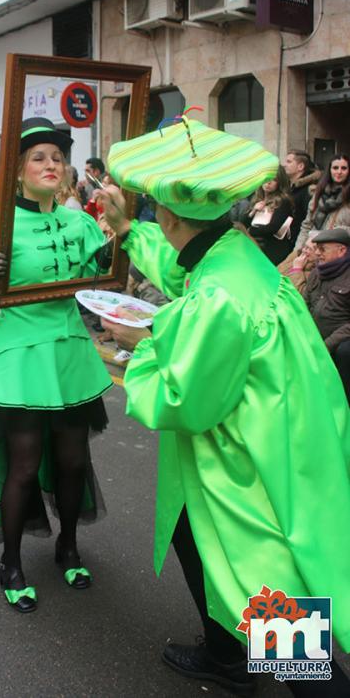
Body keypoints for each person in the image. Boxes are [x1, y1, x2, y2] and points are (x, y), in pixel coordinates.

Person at [98, 118, 350, 696]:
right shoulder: (232, 251)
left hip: (240, 461)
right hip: (281, 430)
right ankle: (226, 652)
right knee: (194, 538)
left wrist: (141, 347)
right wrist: (127, 232)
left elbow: (184, 400)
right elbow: (181, 270)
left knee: (268, 589)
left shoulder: (218, 295)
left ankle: (305, 680)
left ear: (167, 213)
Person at [0, 118, 112, 613]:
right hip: (19, 356)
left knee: (72, 460)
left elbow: (101, 275)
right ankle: (12, 562)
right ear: (18, 168)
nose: (50, 165)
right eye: (39, 157)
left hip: (69, 354)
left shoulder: (78, 221)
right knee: (21, 465)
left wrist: (117, 239)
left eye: (57, 158)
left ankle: (68, 546)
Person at [304, 228, 350, 402]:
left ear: (341, 250)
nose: (317, 253)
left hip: (338, 341)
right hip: (315, 336)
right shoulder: (317, 273)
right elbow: (304, 305)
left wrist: (328, 344)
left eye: (322, 249)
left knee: (346, 351)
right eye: (316, 248)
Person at [241, 165, 294, 265]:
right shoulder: (256, 198)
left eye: (273, 180)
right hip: (255, 247)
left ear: (279, 182)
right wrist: (253, 211)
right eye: (266, 179)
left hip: (272, 249)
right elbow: (243, 223)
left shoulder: (283, 201)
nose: (268, 183)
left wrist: (249, 231)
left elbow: (272, 228)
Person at [295, 154, 350, 250]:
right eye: (335, 168)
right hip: (312, 248)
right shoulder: (318, 193)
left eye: (344, 168)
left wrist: (337, 231)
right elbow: (307, 225)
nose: (339, 172)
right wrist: (298, 249)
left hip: (340, 252)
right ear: (329, 170)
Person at [283, 149, 320, 245]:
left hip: (298, 241)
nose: (284, 165)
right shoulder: (289, 188)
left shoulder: (309, 190)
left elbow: (308, 220)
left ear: (300, 166)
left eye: (289, 162)